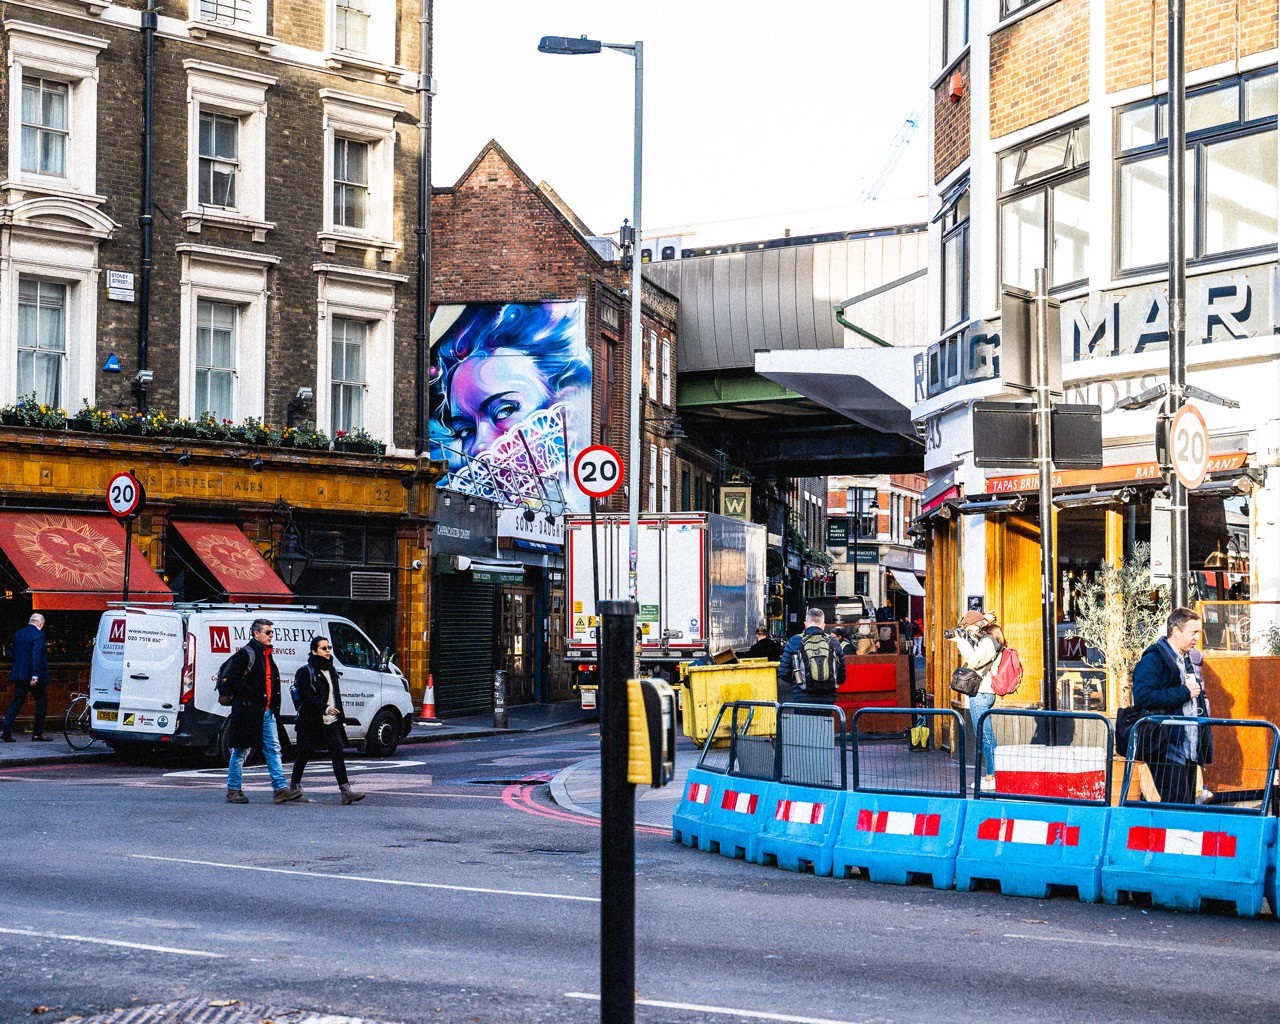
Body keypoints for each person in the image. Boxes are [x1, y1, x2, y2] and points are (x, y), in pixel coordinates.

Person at [1131, 607, 1213, 805]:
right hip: (1166, 745)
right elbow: (1143, 696)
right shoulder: (1153, 659)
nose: (1196, 638)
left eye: (1198, 633)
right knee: (1176, 804)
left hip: (1188, 746)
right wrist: (1183, 692)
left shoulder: (1188, 659)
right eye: (1193, 632)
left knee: (1185, 805)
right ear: (1176, 631)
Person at [224, 619, 302, 805]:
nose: (271, 635)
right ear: (256, 634)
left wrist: (270, 704)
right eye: (267, 632)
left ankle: (280, 789)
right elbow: (233, 681)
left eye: (272, 632)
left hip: (266, 712)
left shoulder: (266, 654)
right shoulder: (246, 654)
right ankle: (233, 789)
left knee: (273, 748)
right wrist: (255, 695)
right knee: (241, 750)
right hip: (248, 711)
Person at [290, 636, 365, 805]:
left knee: (338, 754)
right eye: (323, 648)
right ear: (314, 651)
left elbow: (336, 697)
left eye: (329, 648)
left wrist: (341, 719)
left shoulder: (331, 670)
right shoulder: (305, 672)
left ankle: (346, 791)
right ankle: (294, 788)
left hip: (332, 721)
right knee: (304, 754)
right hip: (311, 722)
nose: (327, 651)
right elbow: (306, 698)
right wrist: (324, 708)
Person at [949, 610, 1004, 789]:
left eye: (968, 627)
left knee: (985, 736)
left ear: (976, 625)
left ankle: (992, 777)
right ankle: (993, 775)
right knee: (984, 735)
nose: (968, 631)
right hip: (982, 692)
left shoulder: (987, 641)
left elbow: (973, 661)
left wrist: (960, 642)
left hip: (982, 693)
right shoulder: (987, 639)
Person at [777, 608, 844, 704]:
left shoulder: (795, 641)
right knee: (826, 714)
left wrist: (799, 681)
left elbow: (783, 673)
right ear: (823, 625)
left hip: (802, 696)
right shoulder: (834, 642)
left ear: (805, 624)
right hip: (828, 697)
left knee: (804, 715)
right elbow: (842, 676)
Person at [2, 613, 51, 742]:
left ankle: (4, 730)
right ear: (40, 623)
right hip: (34, 676)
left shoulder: (18, 634)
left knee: (16, 702)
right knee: (41, 703)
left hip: (20, 674)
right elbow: (36, 655)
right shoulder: (39, 635)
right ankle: (37, 734)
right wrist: (35, 674)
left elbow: (14, 654)